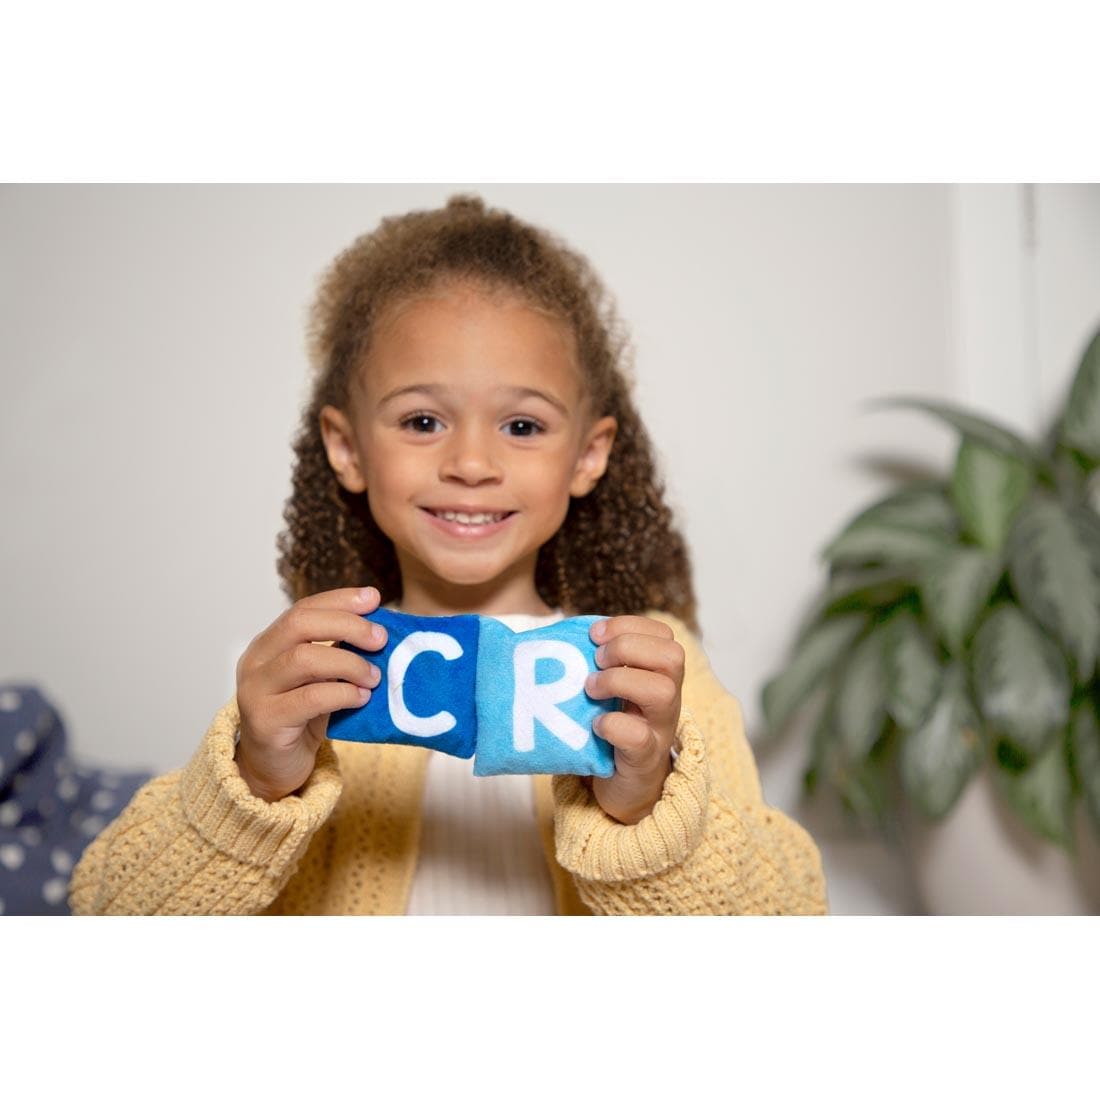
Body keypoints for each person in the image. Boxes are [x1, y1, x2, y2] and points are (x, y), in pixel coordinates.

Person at [69, 194, 828, 916]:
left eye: (523, 427)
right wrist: (258, 780)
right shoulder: (310, 676)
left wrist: (647, 803)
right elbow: (105, 907)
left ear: (589, 456)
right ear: (347, 447)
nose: (471, 462)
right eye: (423, 420)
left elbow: (787, 913)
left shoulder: (653, 677)